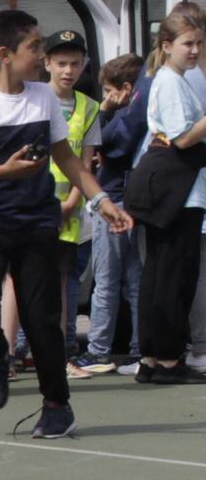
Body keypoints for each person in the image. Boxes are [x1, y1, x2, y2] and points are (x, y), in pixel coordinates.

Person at [0, 9, 131, 439]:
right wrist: (3, 171)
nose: (43, 55)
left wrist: (101, 200)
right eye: (35, 47)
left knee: (44, 319)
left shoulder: (43, 98)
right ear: (5, 55)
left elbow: (65, 157)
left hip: (37, 222)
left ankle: (57, 406)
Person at [129, 8, 206, 385]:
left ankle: (153, 356)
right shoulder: (172, 82)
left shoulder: (175, 79)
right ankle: (168, 359)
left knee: (161, 274)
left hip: (178, 189)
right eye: (187, 43)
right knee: (174, 274)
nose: (194, 51)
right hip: (179, 191)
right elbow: (182, 137)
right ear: (167, 45)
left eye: (198, 43)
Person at [76, 54, 145, 375]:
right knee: (135, 281)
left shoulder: (125, 116)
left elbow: (103, 142)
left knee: (105, 281)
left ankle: (99, 349)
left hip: (113, 203)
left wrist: (105, 108)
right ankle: (138, 348)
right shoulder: (140, 112)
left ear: (125, 89)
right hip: (133, 203)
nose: (105, 98)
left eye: (108, 91)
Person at [38, 30, 101, 368]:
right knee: (24, 279)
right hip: (32, 204)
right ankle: (13, 350)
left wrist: (74, 199)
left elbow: (85, 160)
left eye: (75, 64)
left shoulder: (89, 107)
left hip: (68, 210)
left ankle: (59, 354)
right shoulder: (33, 98)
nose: (68, 70)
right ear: (46, 63)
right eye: (61, 63)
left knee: (61, 281)